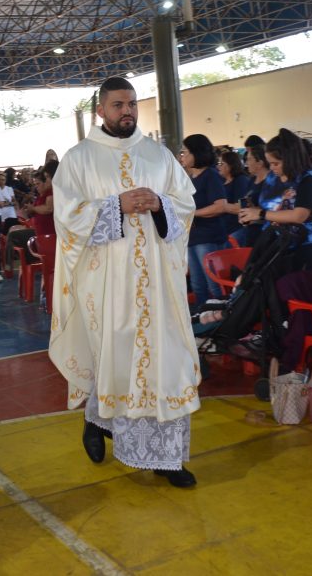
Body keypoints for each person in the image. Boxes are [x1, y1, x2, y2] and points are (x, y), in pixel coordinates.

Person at [49, 77, 199, 487]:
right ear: (101, 110)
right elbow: (67, 218)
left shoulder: (158, 155)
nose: (126, 111)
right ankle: (97, 421)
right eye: (117, 105)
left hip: (157, 284)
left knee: (164, 362)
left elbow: (186, 203)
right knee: (116, 358)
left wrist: (160, 204)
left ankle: (168, 459)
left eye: (131, 104)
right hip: (108, 285)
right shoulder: (79, 159)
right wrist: (116, 204)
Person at [238, 128, 312, 271]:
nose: (271, 168)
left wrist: (261, 214)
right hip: (272, 245)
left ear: (290, 160)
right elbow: (272, 212)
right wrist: (252, 216)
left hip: (300, 247)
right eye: (270, 163)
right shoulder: (272, 177)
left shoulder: (307, 179)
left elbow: (299, 215)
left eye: (276, 163)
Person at [179, 134, 228, 310]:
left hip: (208, 237)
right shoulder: (191, 178)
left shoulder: (210, 176)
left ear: (196, 154)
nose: (182, 156)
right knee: (198, 285)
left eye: (185, 152)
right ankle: (203, 321)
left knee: (213, 285)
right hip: (193, 238)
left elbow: (220, 206)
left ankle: (220, 323)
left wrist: (193, 213)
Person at [216, 150, 251, 243]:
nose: (218, 166)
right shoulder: (221, 181)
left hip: (236, 229)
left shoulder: (241, 180)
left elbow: (240, 207)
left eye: (221, 163)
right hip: (224, 230)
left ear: (230, 165)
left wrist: (220, 206)